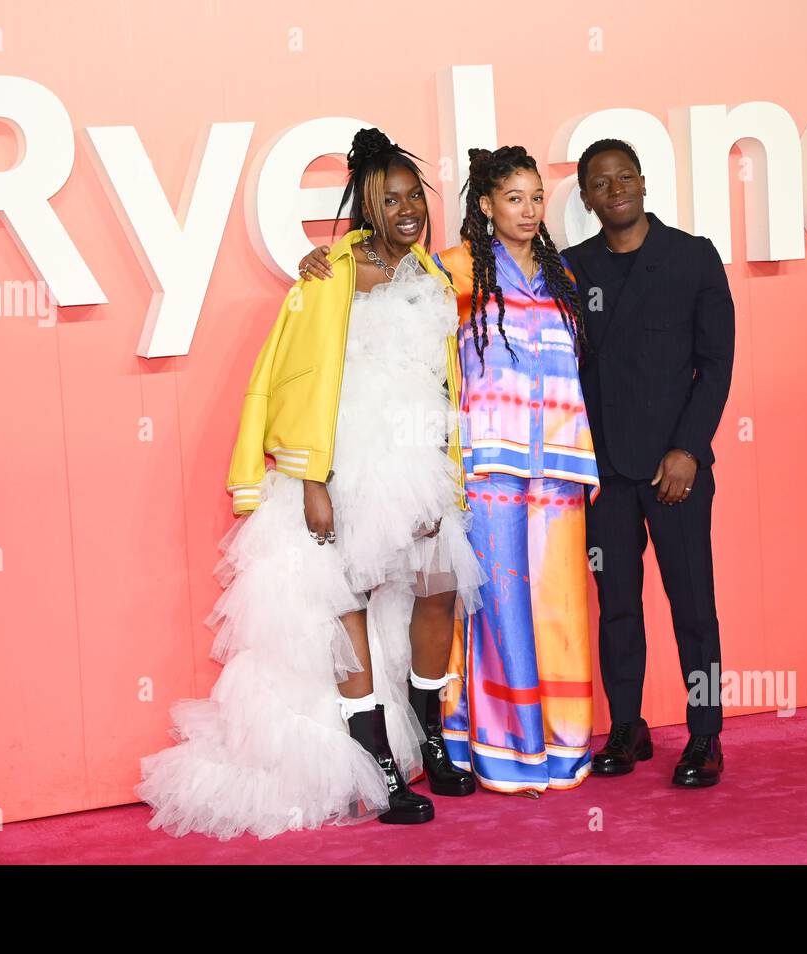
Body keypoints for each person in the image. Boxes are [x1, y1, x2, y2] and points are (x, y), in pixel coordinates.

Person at [136, 128, 484, 840]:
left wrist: (444, 467)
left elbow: (440, 382)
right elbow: (288, 379)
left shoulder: (435, 276)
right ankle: (380, 765)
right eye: (389, 199)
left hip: (418, 463)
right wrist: (312, 480)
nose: (406, 209)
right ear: (364, 207)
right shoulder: (327, 278)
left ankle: (433, 739)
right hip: (346, 466)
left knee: (437, 591)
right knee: (347, 603)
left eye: (414, 196)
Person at [298, 145, 600, 795]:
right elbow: (375, 280)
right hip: (480, 465)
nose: (528, 209)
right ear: (486, 206)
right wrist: (324, 256)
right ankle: (484, 746)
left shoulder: (566, 278)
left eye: (536, 197)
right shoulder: (452, 271)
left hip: (557, 471)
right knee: (490, 610)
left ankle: (560, 741)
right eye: (512, 198)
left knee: (560, 606)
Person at [563, 138, 735, 787]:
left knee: (694, 608)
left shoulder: (691, 258)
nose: (616, 191)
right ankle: (628, 726)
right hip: (604, 475)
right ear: (586, 198)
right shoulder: (573, 268)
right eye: (600, 184)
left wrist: (689, 449)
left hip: (675, 474)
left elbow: (715, 364)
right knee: (616, 608)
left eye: (624, 177)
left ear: (642, 182)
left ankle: (706, 734)